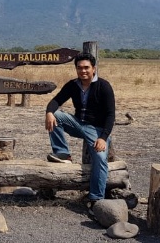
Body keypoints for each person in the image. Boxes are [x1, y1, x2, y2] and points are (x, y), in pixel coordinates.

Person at [44, 52, 116, 211]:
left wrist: (103, 138)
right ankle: (63, 153)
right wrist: (49, 112)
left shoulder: (104, 86)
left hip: (96, 130)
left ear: (94, 69)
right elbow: (56, 101)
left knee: (99, 157)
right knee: (55, 115)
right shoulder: (73, 84)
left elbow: (111, 115)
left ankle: (96, 199)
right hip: (78, 124)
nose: (83, 71)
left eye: (86, 68)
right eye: (79, 68)